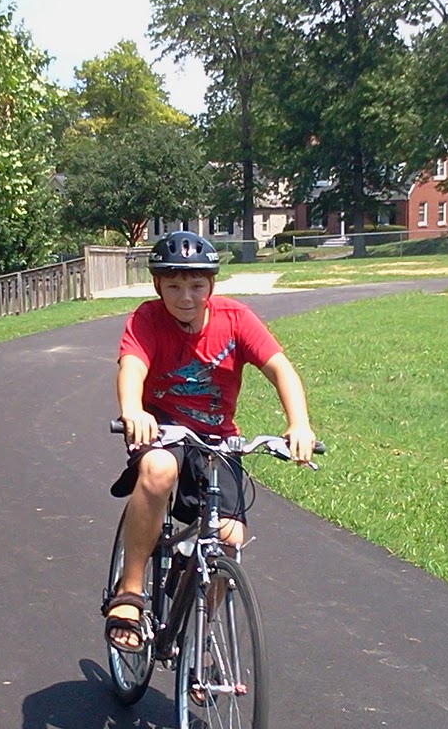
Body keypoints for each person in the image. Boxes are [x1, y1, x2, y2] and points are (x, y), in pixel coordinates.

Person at [104, 230, 316, 652]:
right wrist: (133, 411)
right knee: (159, 469)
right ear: (157, 285)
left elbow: (281, 369)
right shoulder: (148, 320)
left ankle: (198, 639)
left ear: (211, 285)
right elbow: (132, 367)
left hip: (217, 438)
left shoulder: (236, 319)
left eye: (196, 285)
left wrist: (299, 425)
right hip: (163, 429)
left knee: (230, 538)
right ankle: (130, 592)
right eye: (174, 286)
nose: (186, 296)